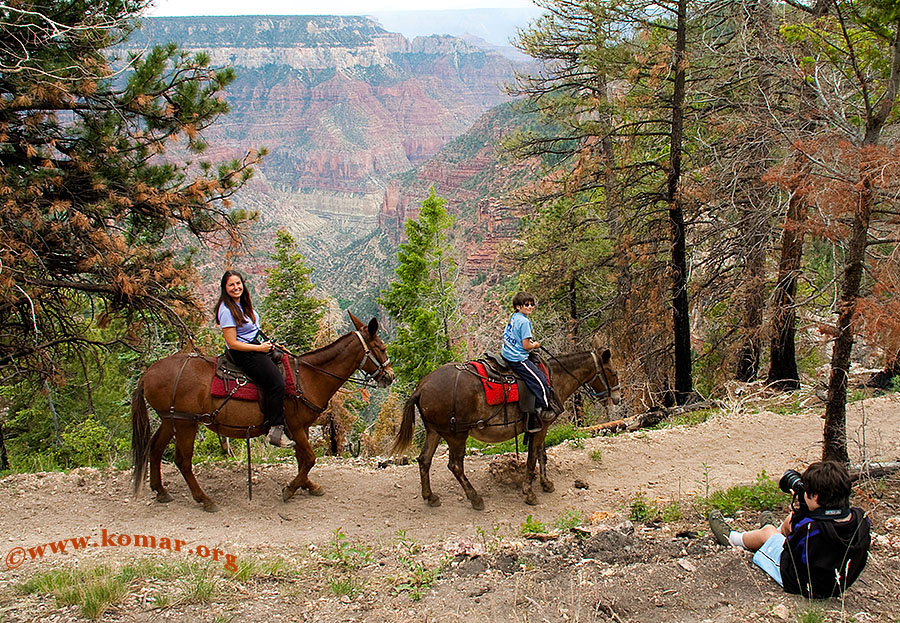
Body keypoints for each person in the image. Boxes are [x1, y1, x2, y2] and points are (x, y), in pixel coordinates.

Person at [708, 460, 871, 599]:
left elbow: (791, 548)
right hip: (837, 585)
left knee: (768, 534)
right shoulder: (860, 519)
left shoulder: (809, 527)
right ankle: (770, 528)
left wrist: (797, 516)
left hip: (799, 582)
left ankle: (733, 538)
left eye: (806, 492)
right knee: (782, 528)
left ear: (815, 497)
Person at [215, 270, 294, 448]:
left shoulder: (242, 304)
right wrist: (259, 348)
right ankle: (275, 430)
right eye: (231, 285)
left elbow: (252, 331)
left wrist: (268, 344)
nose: (236, 287)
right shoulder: (226, 310)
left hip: (256, 346)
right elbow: (232, 343)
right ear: (225, 288)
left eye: (238, 283)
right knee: (276, 383)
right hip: (244, 354)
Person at [500, 291, 562, 433]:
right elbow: (526, 346)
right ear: (518, 307)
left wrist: (528, 342)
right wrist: (535, 345)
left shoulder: (514, 317)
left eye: (531, 304)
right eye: (526, 305)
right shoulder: (525, 322)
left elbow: (516, 337)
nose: (530, 307)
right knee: (541, 381)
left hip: (507, 352)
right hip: (517, 358)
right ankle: (542, 409)